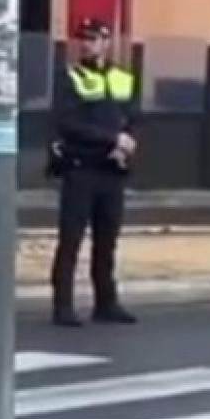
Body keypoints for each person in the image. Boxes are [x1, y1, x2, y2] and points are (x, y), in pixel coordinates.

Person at [49, 18, 138, 328]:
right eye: (82, 38)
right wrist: (111, 139)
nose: (86, 43)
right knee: (71, 239)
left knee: (107, 240)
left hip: (112, 170)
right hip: (81, 168)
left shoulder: (123, 78)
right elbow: (68, 124)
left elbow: (132, 120)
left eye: (92, 38)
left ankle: (106, 302)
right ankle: (63, 306)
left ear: (106, 42)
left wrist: (125, 145)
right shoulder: (70, 76)